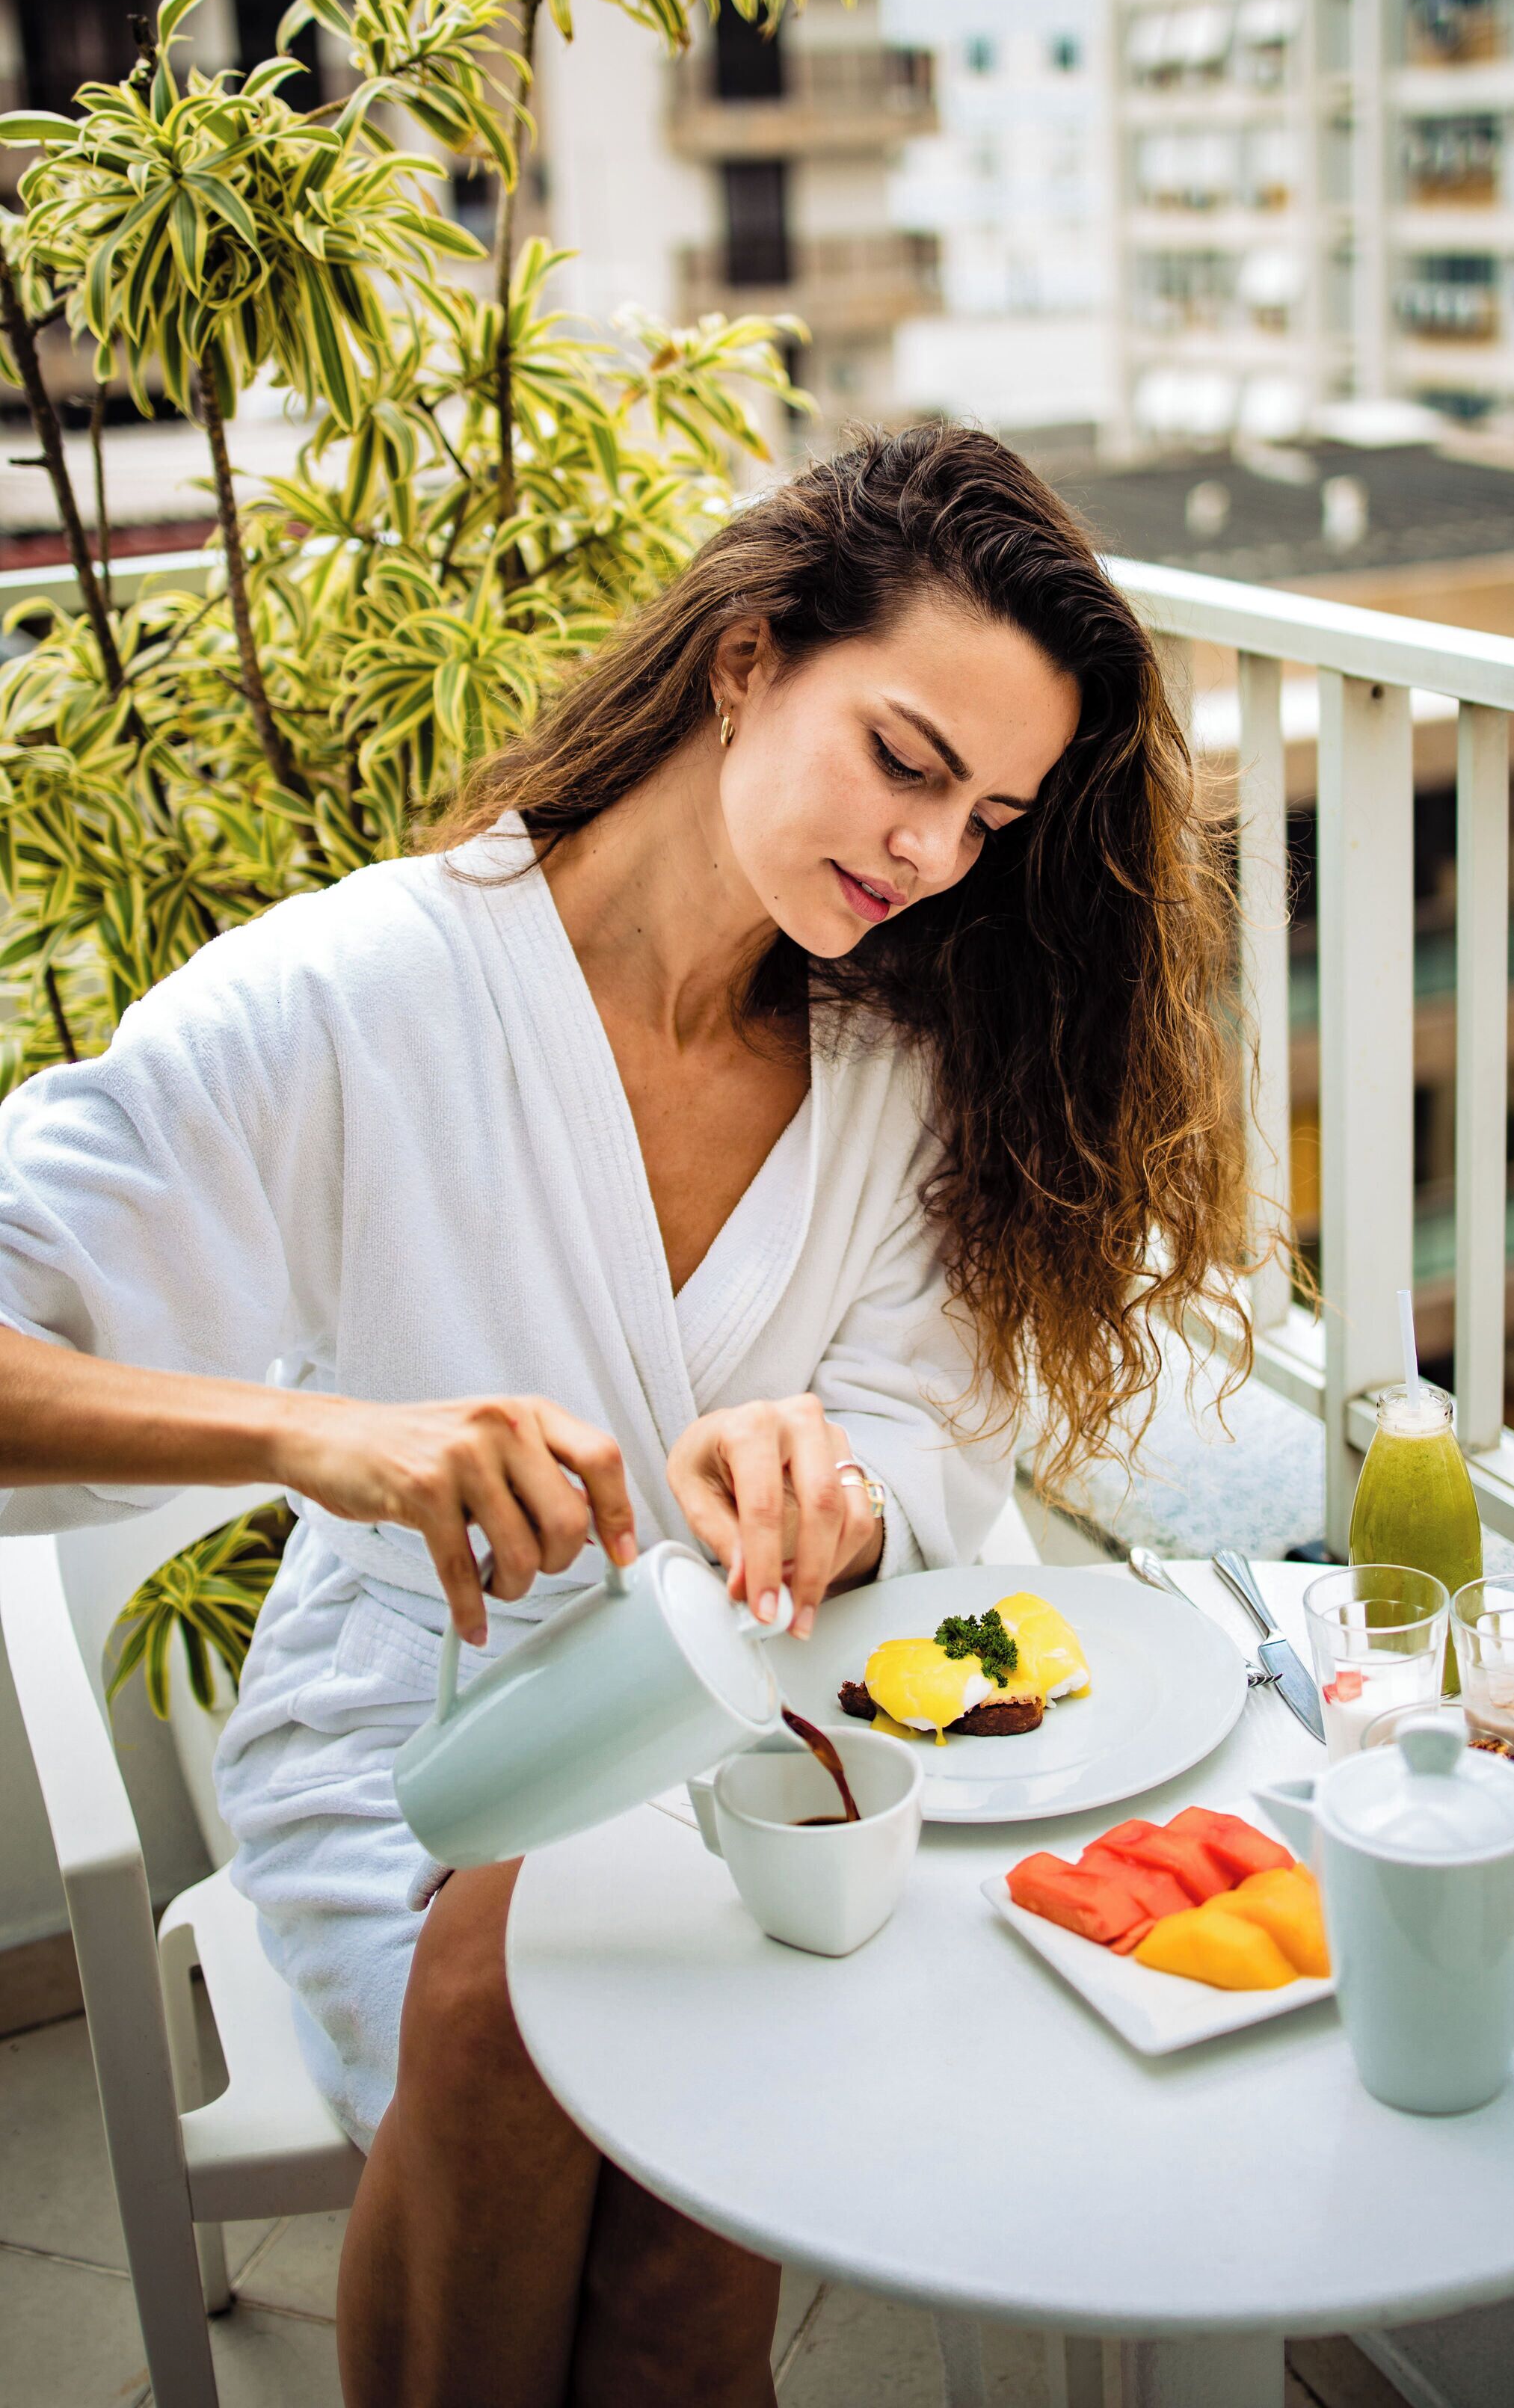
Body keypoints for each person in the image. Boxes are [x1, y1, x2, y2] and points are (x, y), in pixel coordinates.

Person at [0, 425, 1253, 2407]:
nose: (933, 854)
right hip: (418, 1743)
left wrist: (824, 1489)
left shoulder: (896, 1064)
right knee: (518, 1971)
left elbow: (919, 1433)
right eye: (909, 762)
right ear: (751, 652)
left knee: (682, 2251)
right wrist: (310, 1435)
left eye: (990, 818)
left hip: (754, 1732)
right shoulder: (356, 999)